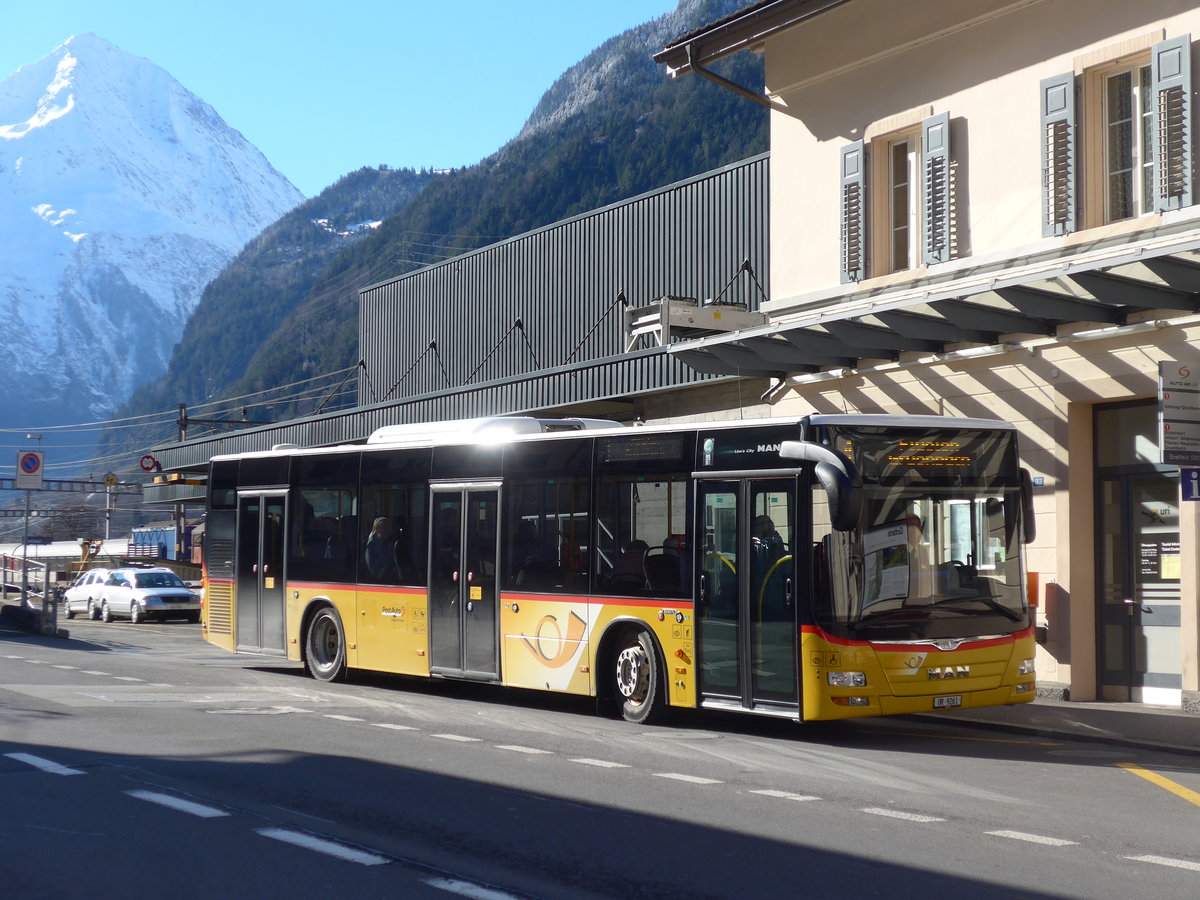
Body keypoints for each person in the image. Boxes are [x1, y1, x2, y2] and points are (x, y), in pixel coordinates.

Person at [364, 517, 398, 581]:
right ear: (377, 529)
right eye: (385, 528)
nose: (389, 531)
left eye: (389, 528)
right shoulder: (371, 547)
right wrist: (385, 569)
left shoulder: (393, 544)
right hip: (378, 582)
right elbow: (373, 571)